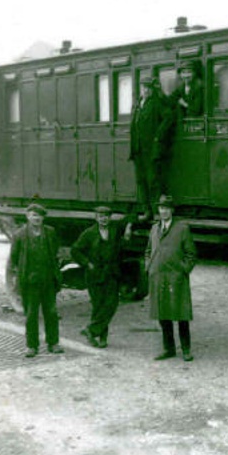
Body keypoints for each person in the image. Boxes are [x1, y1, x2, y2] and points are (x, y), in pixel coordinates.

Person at [8, 202, 64, 358]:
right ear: (27, 217)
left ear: (43, 218)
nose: (37, 218)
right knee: (31, 314)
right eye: (33, 215)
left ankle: (53, 343)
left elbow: (55, 254)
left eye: (39, 216)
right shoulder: (19, 235)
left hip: (48, 281)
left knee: (51, 313)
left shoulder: (50, 233)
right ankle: (32, 346)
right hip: (30, 282)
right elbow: (14, 258)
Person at [145, 194, 197, 361]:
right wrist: (149, 267)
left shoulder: (182, 228)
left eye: (166, 208)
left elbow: (191, 254)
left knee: (181, 314)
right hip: (158, 277)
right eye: (161, 208)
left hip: (176, 278)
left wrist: (183, 270)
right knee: (163, 314)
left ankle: (186, 349)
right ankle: (169, 349)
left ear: (172, 210)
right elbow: (148, 251)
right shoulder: (154, 229)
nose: (164, 211)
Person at [72, 206, 124, 348]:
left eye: (106, 216)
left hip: (111, 273)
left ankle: (90, 330)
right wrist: (87, 264)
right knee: (98, 306)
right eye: (100, 216)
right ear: (96, 217)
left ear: (110, 217)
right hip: (95, 275)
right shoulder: (89, 233)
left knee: (111, 304)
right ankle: (102, 338)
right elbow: (75, 251)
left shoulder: (115, 231)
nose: (103, 218)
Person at [129, 75, 172, 221]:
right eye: (143, 87)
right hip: (138, 150)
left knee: (153, 181)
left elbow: (168, 118)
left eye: (148, 88)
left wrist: (158, 136)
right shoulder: (138, 104)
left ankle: (156, 212)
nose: (146, 91)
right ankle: (146, 211)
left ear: (152, 90)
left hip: (151, 150)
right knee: (141, 181)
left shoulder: (156, 104)